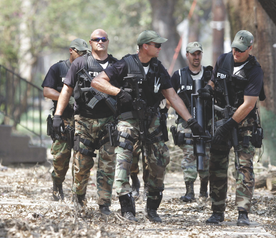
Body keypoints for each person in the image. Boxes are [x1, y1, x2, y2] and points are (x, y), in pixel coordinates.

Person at [91, 30, 205, 223]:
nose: (160, 48)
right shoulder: (125, 64)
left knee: (159, 164)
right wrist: (118, 93)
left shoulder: (158, 68)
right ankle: (127, 209)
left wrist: (191, 121)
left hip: (152, 121)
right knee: (122, 164)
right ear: (145, 46)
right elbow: (97, 81)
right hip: (128, 120)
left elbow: (172, 96)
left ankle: (152, 209)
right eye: (157, 45)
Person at [199, 30, 265, 226]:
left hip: (243, 124)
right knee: (216, 166)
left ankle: (243, 212)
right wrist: (207, 89)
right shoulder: (223, 60)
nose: (236, 52)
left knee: (244, 167)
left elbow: (249, 104)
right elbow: (213, 80)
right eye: (234, 48)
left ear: (250, 49)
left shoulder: (254, 70)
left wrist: (229, 125)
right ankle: (217, 211)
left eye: (241, 50)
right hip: (219, 121)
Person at [53, 29, 118, 216]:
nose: (100, 42)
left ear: (108, 42)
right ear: (90, 43)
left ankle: (104, 205)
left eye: (103, 39)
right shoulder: (80, 63)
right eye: (96, 39)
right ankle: (79, 201)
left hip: (108, 122)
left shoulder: (116, 65)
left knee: (107, 166)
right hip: (84, 121)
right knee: (81, 165)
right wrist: (58, 115)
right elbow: (66, 90)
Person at [42, 38, 89, 201]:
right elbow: (47, 91)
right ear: (71, 50)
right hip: (62, 120)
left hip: (83, 121)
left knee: (81, 160)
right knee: (60, 159)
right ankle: (57, 185)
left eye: (85, 53)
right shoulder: (58, 68)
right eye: (80, 52)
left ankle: (78, 194)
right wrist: (66, 97)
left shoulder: (88, 69)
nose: (83, 56)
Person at [170, 41, 213, 202]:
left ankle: (204, 189)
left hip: (206, 123)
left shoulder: (210, 75)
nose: (196, 57)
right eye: (193, 54)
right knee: (189, 157)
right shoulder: (179, 76)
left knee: (206, 156)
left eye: (198, 53)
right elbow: (170, 97)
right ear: (187, 55)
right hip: (186, 124)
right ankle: (189, 191)